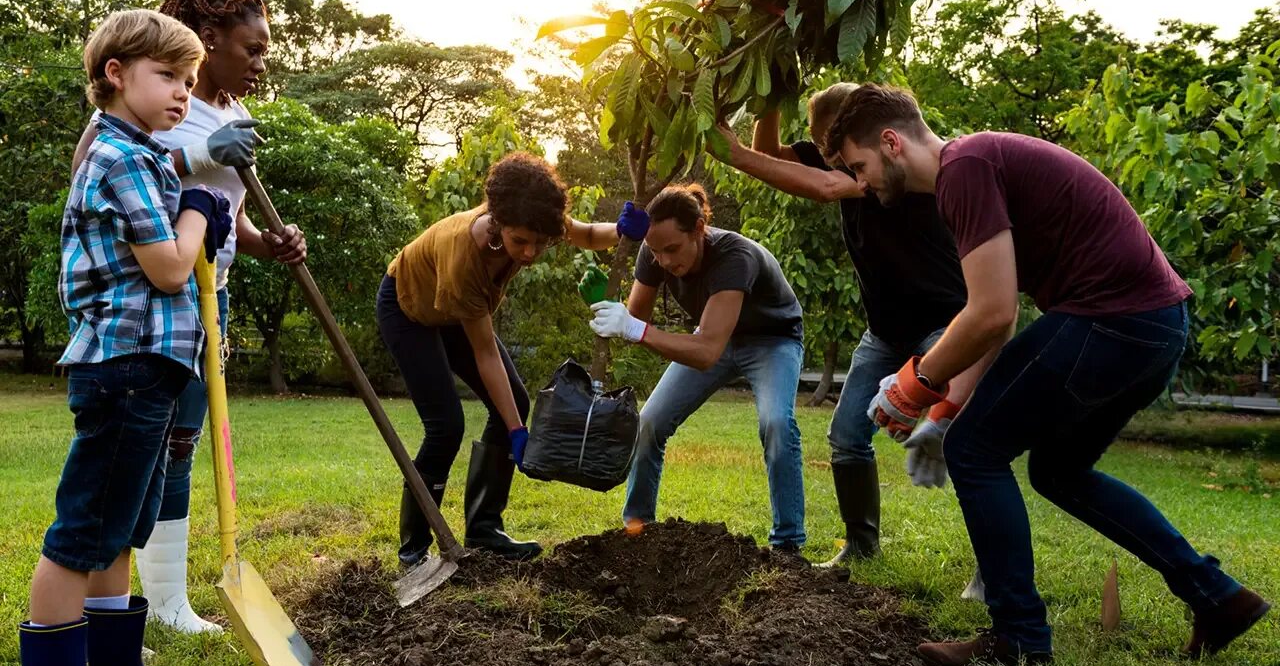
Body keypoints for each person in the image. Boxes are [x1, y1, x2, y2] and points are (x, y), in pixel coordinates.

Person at [826, 83, 1271, 666]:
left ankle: (1018, 637)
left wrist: (913, 385)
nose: (859, 183)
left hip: (1112, 319)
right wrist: (943, 411)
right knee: (1057, 472)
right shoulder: (970, 170)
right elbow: (994, 321)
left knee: (977, 455)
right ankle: (1218, 598)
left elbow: (992, 313)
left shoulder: (965, 169)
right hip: (1155, 326)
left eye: (858, 166)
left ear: (890, 142)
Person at [70, 0, 306, 634]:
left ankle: (168, 602)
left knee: (179, 441)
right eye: (252, 48)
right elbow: (95, 174)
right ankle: (154, 603)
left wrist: (269, 243)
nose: (262, 62)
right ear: (209, 40)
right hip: (148, 300)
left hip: (209, 296)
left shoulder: (232, 114)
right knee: (145, 448)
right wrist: (198, 154)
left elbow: (221, 219)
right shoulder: (146, 109)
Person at [20, 9, 232, 666]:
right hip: (127, 366)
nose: (183, 92)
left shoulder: (141, 154)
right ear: (115, 74)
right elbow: (169, 268)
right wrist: (199, 211)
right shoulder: (118, 157)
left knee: (122, 529)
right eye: (168, 75)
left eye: (191, 80)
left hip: (150, 368)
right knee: (82, 535)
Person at [707, 83, 985, 572]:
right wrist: (775, 86)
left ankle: (991, 567)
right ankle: (861, 544)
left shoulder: (883, 169)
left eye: (834, 148)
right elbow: (770, 150)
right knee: (846, 435)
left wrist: (733, 154)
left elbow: (820, 186)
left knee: (959, 439)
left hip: (945, 324)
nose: (828, 159)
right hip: (884, 332)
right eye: (822, 148)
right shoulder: (840, 156)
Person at [378, 152, 650, 565]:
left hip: (454, 310)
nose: (529, 253)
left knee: (514, 403)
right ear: (497, 222)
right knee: (445, 426)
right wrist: (516, 431)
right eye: (520, 241)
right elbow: (485, 354)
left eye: (540, 243)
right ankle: (414, 547)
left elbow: (589, 235)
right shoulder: (464, 253)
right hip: (409, 309)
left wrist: (622, 229)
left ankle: (485, 530)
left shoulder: (536, 220)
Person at [589, 183, 808, 552]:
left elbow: (705, 352)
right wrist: (607, 310)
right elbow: (635, 318)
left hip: (772, 340)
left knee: (776, 423)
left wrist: (635, 328)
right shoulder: (655, 250)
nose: (665, 261)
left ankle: (787, 546)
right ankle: (637, 530)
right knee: (650, 422)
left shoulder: (735, 256)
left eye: (672, 249)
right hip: (713, 336)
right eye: (656, 251)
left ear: (699, 231)